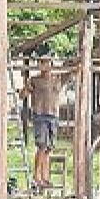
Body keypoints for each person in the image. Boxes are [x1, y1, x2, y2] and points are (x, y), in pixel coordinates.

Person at [21, 58, 71, 189]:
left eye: (46, 63)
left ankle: (45, 177)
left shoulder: (58, 78)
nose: (43, 65)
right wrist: (26, 88)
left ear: (51, 65)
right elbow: (23, 95)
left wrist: (76, 61)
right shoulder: (34, 80)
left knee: (48, 148)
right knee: (42, 146)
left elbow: (71, 70)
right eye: (41, 63)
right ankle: (36, 177)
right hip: (40, 115)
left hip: (53, 115)